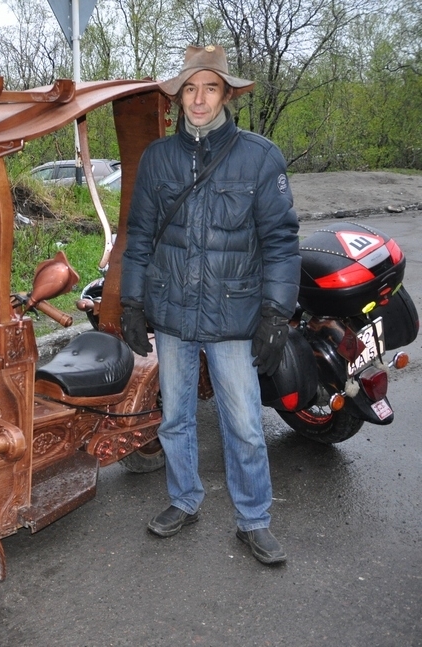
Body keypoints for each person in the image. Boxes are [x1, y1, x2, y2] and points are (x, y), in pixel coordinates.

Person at [120, 44, 300, 565]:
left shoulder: (260, 157)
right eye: (190, 89)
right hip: (173, 312)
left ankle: (254, 519)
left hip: (234, 315)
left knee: (243, 423)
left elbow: (282, 243)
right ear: (178, 97)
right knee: (174, 417)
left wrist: (275, 313)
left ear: (226, 94)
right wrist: (132, 302)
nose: (199, 100)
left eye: (210, 88)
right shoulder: (158, 158)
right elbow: (140, 237)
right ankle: (184, 499)